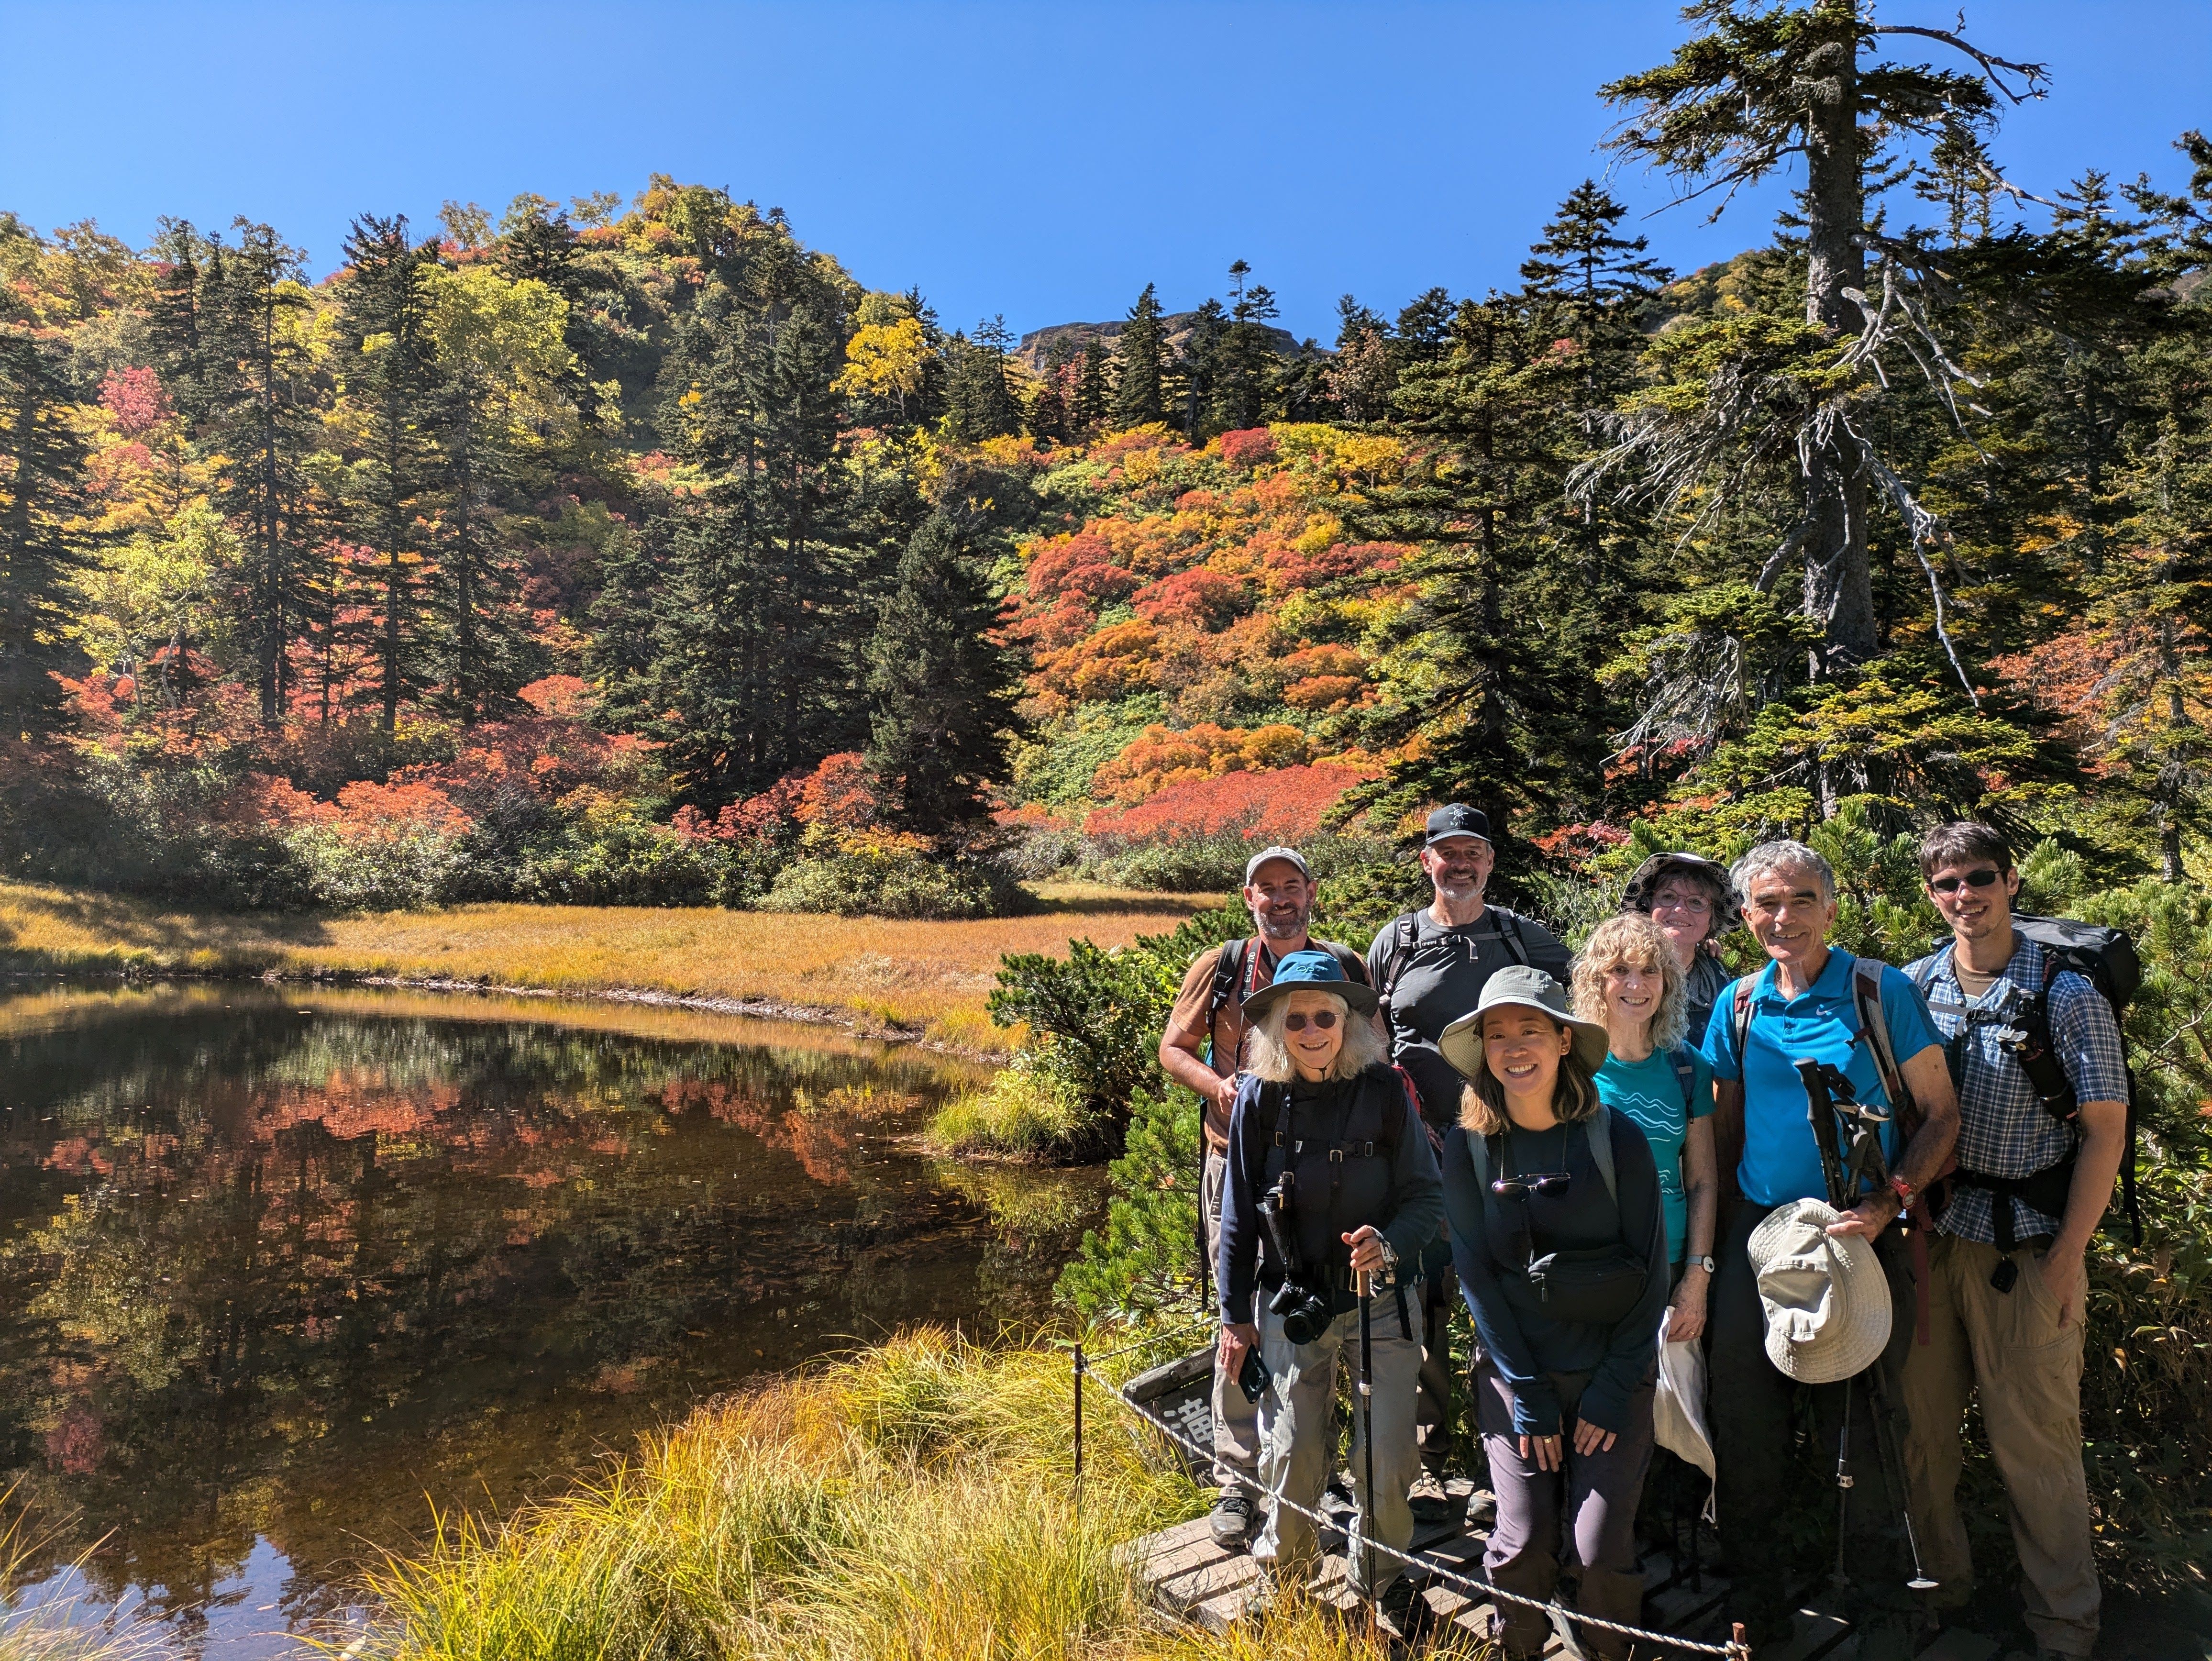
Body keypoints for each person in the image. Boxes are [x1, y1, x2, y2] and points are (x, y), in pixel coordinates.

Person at [1703, 840, 1961, 1650]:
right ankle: (1759, 1602)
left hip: (1857, 1230)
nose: (1784, 918)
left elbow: (1941, 1115)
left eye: (1801, 899)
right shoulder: (1738, 1001)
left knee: (1862, 1430)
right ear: (1745, 916)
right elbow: (1721, 1121)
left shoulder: (1877, 991)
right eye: (1766, 903)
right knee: (1746, 1427)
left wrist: (1889, 1204)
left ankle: (1882, 1608)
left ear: (1830, 906)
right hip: (1758, 1236)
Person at [1900, 823, 2128, 1660]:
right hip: (1937, 1243)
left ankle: (2062, 1627)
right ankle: (1940, 1594)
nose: (1965, 895)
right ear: (1929, 893)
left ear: (2011, 879)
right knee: (1921, 1439)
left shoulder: (2064, 992)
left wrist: (2068, 1257)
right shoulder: (1917, 983)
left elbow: (2104, 1130)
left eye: (1980, 877)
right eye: (1947, 882)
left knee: (2034, 1448)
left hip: (2029, 1250)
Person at [1438, 966, 1669, 1661]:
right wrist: (1530, 1395)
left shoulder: (1616, 1138)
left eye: (1530, 1030)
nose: (1514, 1048)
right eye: (1497, 1034)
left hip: (1613, 1377)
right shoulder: (1469, 1148)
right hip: (1518, 1379)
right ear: (1482, 1050)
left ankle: (1610, 1652)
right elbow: (1476, 1277)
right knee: (1523, 1545)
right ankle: (1519, 1649)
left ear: (1564, 1041)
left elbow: (1653, 1271)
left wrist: (1611, 1386)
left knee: (1597, 1554)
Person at [1215, 951, 1442, 1623]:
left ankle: (1382, 1578)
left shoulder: (1385, 1089)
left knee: (1390, 1452)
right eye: (1297, 1020)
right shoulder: (1259, 1096)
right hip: (1291, 1302)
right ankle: (1282, 1578)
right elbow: (1236, 1213)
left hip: (1382, 1304)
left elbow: (1427, 1198)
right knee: (1291, 1448)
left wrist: (1390, 1242)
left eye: (1325, 1016)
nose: (1312, 1030)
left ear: (1348, 1022)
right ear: (1276, 1030)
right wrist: (1235, 1317)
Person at [1160, 845, 1371, 1547]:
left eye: (1291, 887)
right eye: (1265, 889)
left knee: (1328, 1309)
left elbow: (1374, 1055)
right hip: (1236, 1165)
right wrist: (1219, 1088)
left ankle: (1317, 1469)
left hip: (1327, 1170)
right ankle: (1237, 1479)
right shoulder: (1220, 968)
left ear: (1312, 891)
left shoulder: (1345, 966)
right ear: (1247, 897)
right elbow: (1173, 1047)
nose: (1280, 899)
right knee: (1237, 1315)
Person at [1368, 803, 1571, 1511]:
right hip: (1416, 1163)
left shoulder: (1525, 940)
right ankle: (1427, 1460)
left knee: (1504, 1304)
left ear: (1490, 862)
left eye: (1472, 853)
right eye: (1445, 852)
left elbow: (1574, 1029)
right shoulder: (1394, 941)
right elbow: (1373, 1040)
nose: (1459, 864)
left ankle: (1503, 1463)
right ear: (1426, 862)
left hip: (1506, 1160)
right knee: (1416, 1310)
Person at [1573, 913, 1718, 1338]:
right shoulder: (1572, 1066)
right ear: (1596, 981)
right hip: (1592, 1265)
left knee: (1673, 1401)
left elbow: (1702, 1181)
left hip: (1669, 1264)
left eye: (1649, 971)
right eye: (1620, 971)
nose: (1636, 985)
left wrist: (1698, 1276)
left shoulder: (1689, 1066)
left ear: (1667, 982)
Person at [1621, 851, 1737, 1042]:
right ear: (1648, 907)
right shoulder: (1618, 967)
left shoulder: (1719, 978)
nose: (1679, 909)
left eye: (1696, 902)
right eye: (1668, 897)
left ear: (1711, 919)